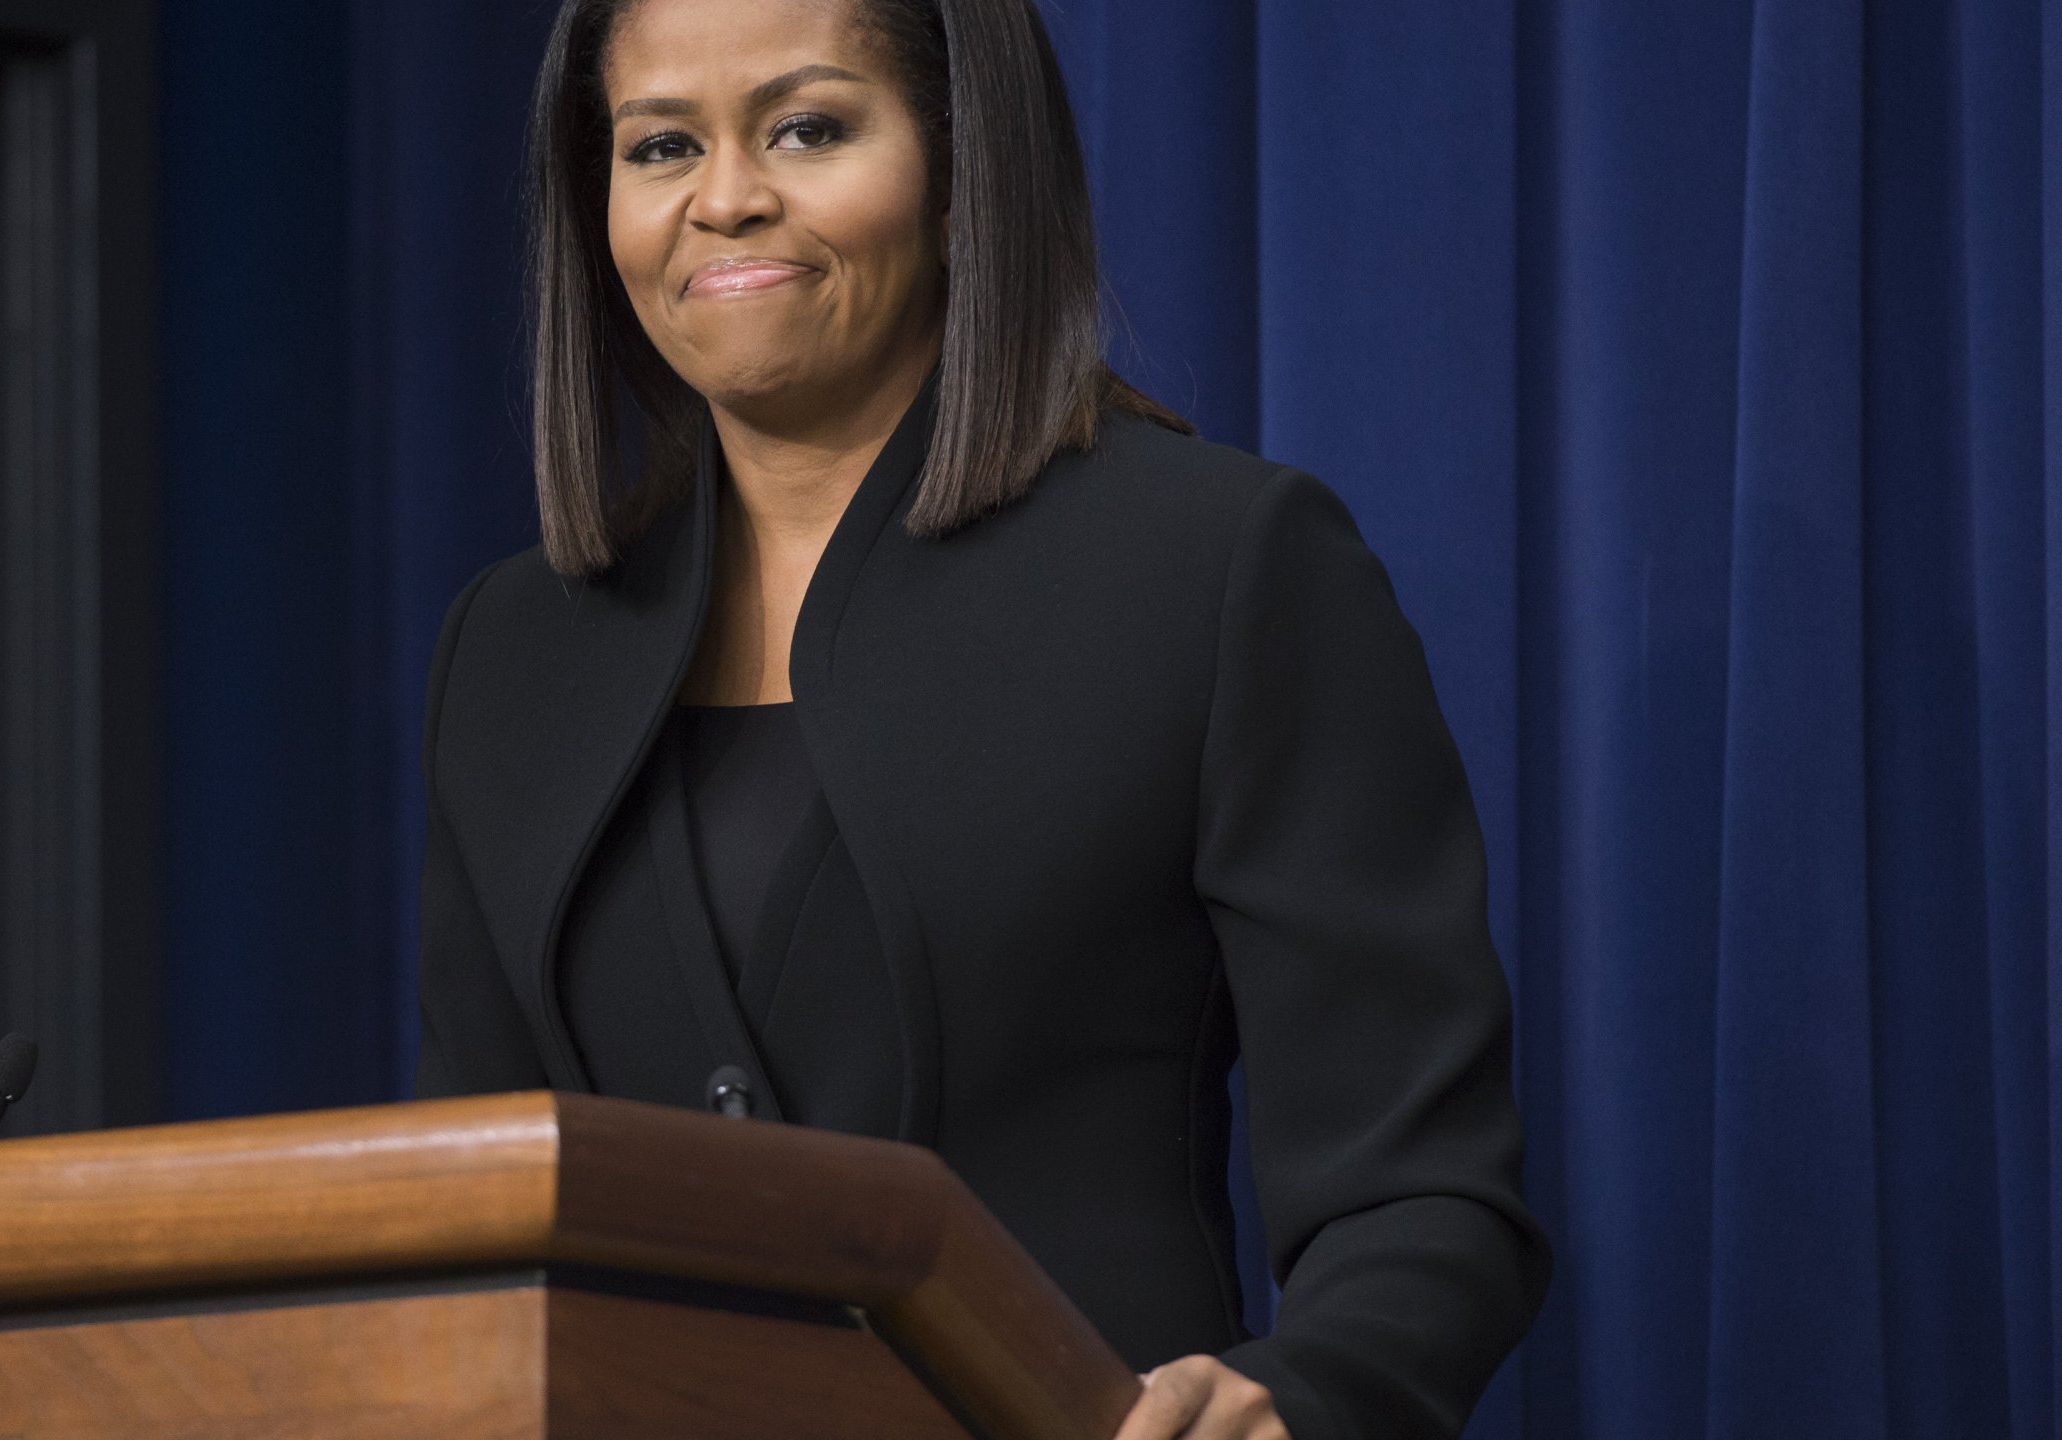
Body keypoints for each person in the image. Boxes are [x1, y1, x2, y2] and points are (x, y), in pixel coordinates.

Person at [411, 0, 1551, 1435]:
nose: (723, 199)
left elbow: (1427, 1202)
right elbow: (458, 1225)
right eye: (658, 147)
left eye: (808, 127)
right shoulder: (512, 650)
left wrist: (1290, 1397)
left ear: (962, 168)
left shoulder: (1217, 571)